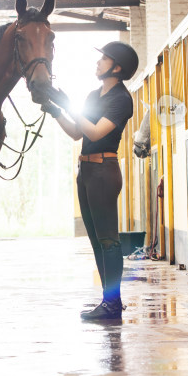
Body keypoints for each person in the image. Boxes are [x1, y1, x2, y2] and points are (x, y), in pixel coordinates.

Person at [44, 41, 138, 320]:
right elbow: (78, 133)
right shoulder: (93, 95)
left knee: (109, 241)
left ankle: (113, 304)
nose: (98, 63)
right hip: (86, 172)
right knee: (98, 241)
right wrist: (57, 112)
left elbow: (96, 132)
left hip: (104, 171)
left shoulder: (121, 99)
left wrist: (67, 104)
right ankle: (108, 302)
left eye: (105, 59)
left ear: (117, 68)